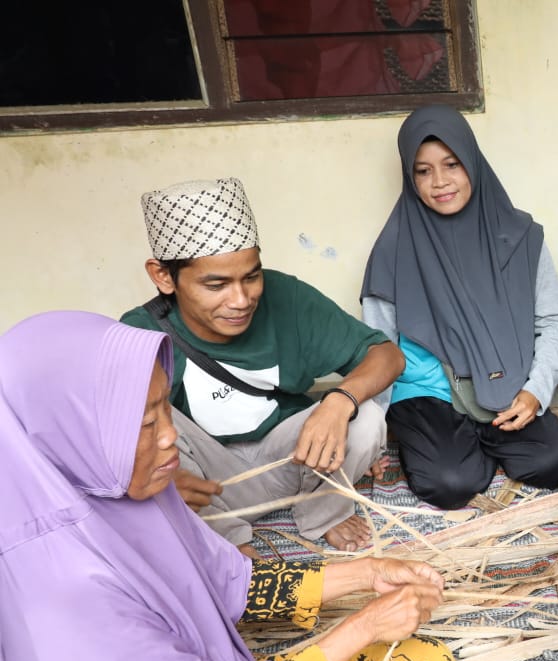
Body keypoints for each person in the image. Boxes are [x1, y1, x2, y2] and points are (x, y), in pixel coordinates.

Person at [0, 311, 507, 661]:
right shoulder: (60, 583)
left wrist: (367, 573)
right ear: (69, 430)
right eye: (145, 424)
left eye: (163, 410)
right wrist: (362, 627)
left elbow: (226, 585)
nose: (171, 439)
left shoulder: (123, 485)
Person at [121, 177, 404, 555]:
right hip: (208, 480)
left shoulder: (284, 296)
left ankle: (325, 512)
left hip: (293, 458)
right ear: (163, 277)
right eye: (216, 285)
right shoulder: (138, 333)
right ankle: (222, 540)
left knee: (365, 415)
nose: (241, 299)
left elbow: (387, 355)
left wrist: (338, 403)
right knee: (151, 417)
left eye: (251, 277)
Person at [362, 105, 558, 510]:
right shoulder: (392, 249)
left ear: (472, 162)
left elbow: (553, 321)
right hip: (428, 392)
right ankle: (453, 448)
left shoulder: (520, 236)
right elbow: (377, 347)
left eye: (452, 164)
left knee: (550, 462)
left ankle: (477, 443)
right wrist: (370, 434)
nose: (439, 182)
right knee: (452, 483)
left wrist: (535, 392)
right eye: (423, 171)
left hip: (505, 384)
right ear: (410, 176)